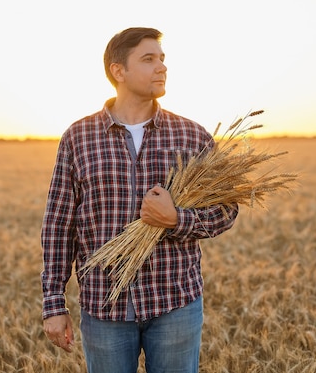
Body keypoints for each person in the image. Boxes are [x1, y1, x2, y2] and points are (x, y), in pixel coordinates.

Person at [41, 27, 238, 373]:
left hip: (175, 302)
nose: (161, 67)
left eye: (162, 59)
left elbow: (226, 210)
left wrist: (176, 219)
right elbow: (59, 224)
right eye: (148, 59)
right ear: (119, 71)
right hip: (105, 306)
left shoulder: (192, 135)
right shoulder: (79, 137)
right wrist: (54, 303)